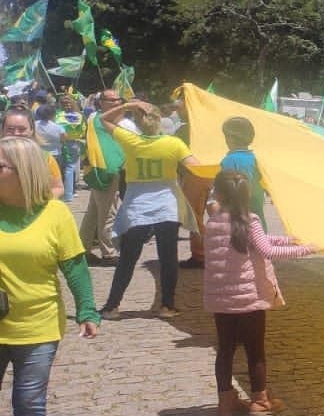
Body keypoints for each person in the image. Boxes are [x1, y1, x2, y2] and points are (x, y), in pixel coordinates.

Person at [0, 137, 100, 416]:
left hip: (37, 328)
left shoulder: (54, 214)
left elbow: (74, 266)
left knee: (28, 407)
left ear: (21, 173)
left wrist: (87, 311)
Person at [203, 169, 316, 416]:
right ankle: (259, 400)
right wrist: (305, 249)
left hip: (221, 302)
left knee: (225, 349)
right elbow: (266, 249)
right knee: (255, 351)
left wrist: (288, 240)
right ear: (248, 195)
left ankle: (225, 401)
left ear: (219, 193)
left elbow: (258, 241)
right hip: (249, 301)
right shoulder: (249, 220)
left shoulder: (213, 222)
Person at [98, 100, 199, 319]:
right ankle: (167, 305)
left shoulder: (130, 140)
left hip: (137, 207)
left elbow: (102, 119)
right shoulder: (174, 144)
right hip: (167, 206)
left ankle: (111, 306)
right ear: (160, 121)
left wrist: (130, 104)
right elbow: (196, 167)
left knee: (128, 258)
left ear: (138, 122)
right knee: (168, 258)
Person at [78, 91, 123, 263]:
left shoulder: (94, 118)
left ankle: (83, 249)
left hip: (100, 171)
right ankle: (109, 253)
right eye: (111, 100)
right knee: (107, 214)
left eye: (118, 99)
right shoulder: (102, 121)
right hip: (106, 172)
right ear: (101, 102)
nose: (116, 102)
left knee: (93, 212)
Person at [2, 108, 66, 200]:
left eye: (22, 129)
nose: (15, 133)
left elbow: (57, 188)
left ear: (31, 130)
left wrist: (41, 204)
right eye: (10, 129)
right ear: (3, 130)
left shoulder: (45, 158)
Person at [217, 117, 267, 219]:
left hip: (237, 214)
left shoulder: (229, 160)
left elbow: (225, 186)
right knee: (257, 232)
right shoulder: (256, 158)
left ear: (231, 138)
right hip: (256, 208)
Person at [33, 105, 68, 199]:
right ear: (53, 115)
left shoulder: (33, 125)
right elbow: (64, 138)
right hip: (55, 154)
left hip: (37, 154)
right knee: (55, 178)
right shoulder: (57, 127)